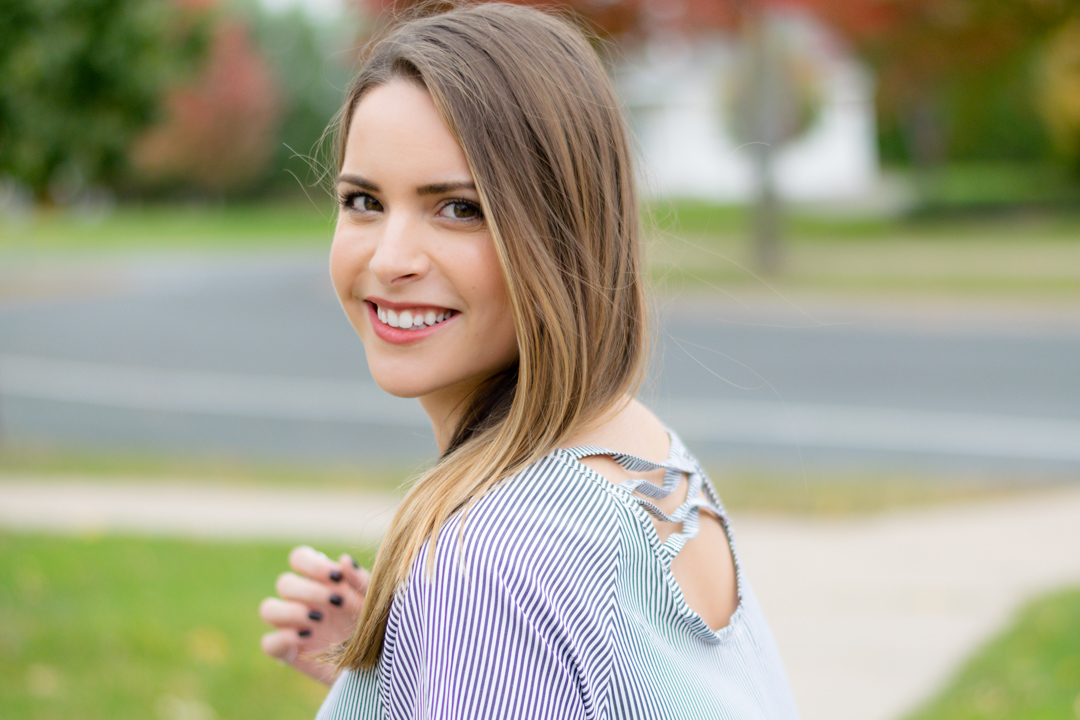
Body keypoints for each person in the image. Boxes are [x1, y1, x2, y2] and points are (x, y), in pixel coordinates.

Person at [258, 3, 800, 717]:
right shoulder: (642, 450)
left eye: (457, 208)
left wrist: (468, 624)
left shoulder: (489, 563)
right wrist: (414, 670)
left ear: (559, 232)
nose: (389, 260)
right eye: (363, 201)